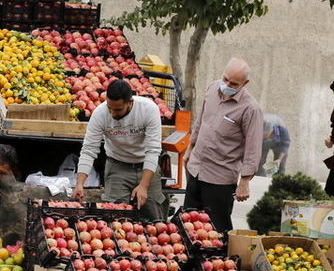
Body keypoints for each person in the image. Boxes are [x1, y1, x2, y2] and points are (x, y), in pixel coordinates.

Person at [183, 58, 263, 239]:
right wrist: (190, 147)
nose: (227, 85)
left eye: (234, 83)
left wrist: (245, 181)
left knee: (216, 231)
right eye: (225, 79)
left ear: (245, 83)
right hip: (196, 169)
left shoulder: (250, 109)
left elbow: (253, 148)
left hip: (220, 178)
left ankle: (219, 264)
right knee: (188, 224)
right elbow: (200, 121)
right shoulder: (212, 89)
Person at [72, 79, 164, 220]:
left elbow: (153, 150)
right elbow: (89, 149)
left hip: (146, 166)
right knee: (112, 217)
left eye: (118, 109)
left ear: (130, 102)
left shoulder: (148, 109)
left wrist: (144, 186)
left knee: (153, 216)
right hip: (117, 166)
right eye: (110, 107)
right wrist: (79, 183)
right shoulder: (100, 114)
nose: (113, 113)